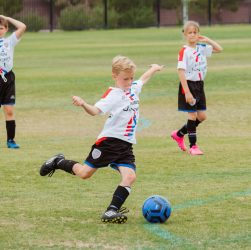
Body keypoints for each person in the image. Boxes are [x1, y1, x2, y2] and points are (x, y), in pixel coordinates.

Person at [39, 55, 164, 223]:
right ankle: (58, 162)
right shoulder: (113, 94)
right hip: (109, 143)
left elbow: (143, 80)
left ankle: (111, 211)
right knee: (84, 174)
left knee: (130, 177)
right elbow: (95, 111)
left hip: (126, 145)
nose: (129, 81)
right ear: (115, 76)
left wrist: (154, 68)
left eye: (131, 78)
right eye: (125, 79)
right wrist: (83, 103)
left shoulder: (133, 88)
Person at [171, 20, 222, 155]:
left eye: (195, 32)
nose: (192, 35)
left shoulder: (201, 47)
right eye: (190, 33)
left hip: (199, 85)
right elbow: (181, 71)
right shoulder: (184, 51)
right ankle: (193, 146)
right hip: (188, 85)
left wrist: (208, 40)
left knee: (202, 116)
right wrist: (187, 92)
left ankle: (179, 134)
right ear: (185, 34)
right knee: (192, 115)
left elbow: (219, 49)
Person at [0, 15, 26, 149]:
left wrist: (6, 18)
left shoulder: (9, 41)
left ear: (6, 29)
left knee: (9, 110)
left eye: (1, 28)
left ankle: (11, 140)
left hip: (8, 78)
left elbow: (22, 26)